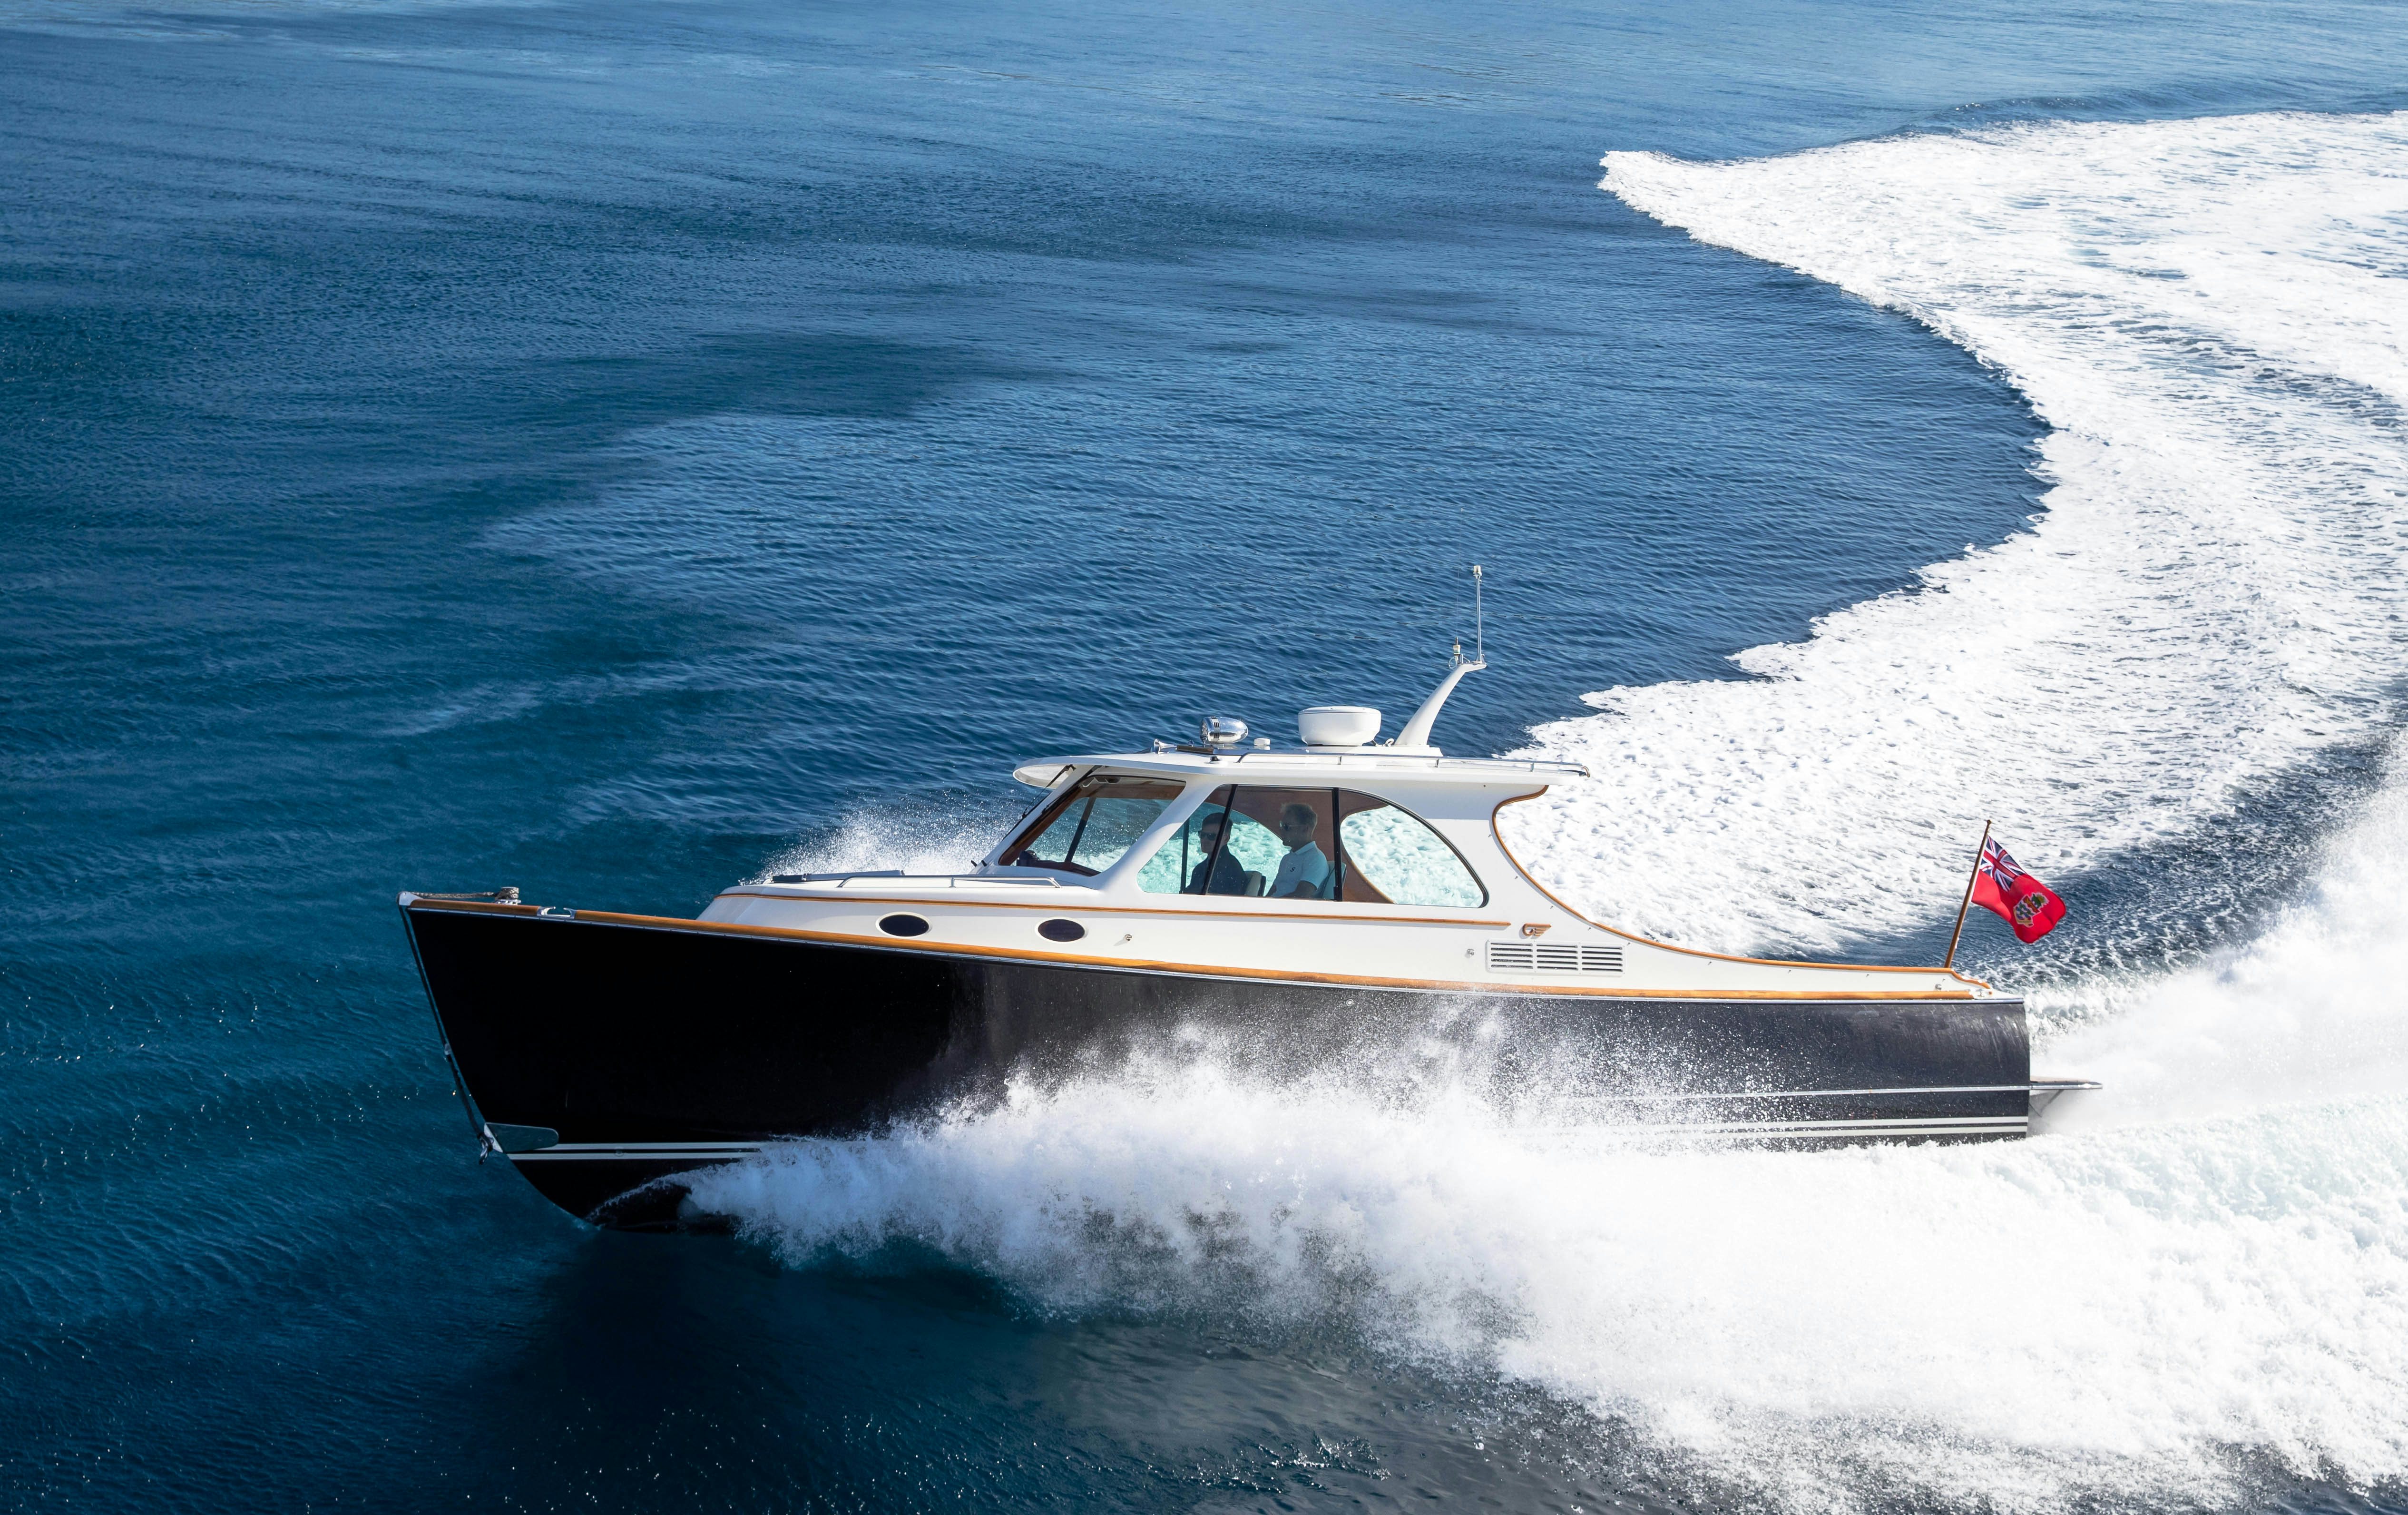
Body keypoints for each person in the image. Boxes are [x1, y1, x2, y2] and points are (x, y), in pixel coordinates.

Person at [1184, 811, 1258, 896]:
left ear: (1226, 839)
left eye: (1212, 836)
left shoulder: (1232, 870)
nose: (1204, 840)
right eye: (1202, 835)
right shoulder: (1200, 869)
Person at [1269, 801, 1331, 899]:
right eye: (1282, 825)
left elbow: (1301, 896)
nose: (1281, 830)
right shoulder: (1287, 858)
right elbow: (1274, 890)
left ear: (1305, 829)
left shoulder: (1315, 858)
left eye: (1287, 827)